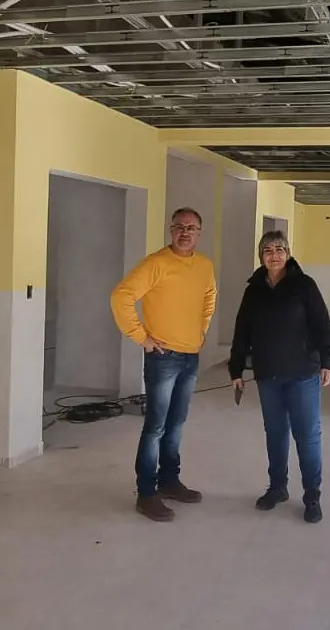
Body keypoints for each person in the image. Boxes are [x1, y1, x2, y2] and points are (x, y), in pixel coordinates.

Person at [110, 207, 217, 522]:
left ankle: (170, 481)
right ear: (171, 230)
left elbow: (209, 298)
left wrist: (200, 330)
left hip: (190, 356)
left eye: (191, 228)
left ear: (199, 233)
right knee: (156, 426)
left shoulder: (204, 266)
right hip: (163, 358)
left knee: (176, 423)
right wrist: (140, 336)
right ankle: (146, 493)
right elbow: (121, 296)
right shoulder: (156, 263)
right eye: (179, 226)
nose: (185, 232)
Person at [229, 230, 330, 524]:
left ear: (288, 254)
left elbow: (322, 324)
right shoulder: (254, 290)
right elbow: (242, 331)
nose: (274, 255)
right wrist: (236, 369)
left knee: (307, 436)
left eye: (279, 249)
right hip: (268, 375)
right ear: (261, 256)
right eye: (267, 250)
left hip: (302, 374)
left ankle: (312, 496)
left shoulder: (304, 285)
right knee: (275, 433)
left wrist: (328, 361)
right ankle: (277, 487)